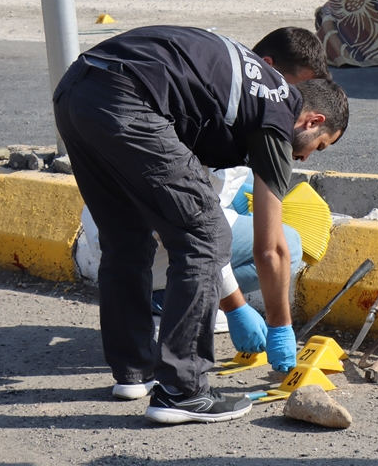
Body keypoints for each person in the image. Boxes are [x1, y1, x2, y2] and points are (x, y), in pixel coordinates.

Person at [54, 26, 350, 424]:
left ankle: (133, 372)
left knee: (126, 236)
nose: (311, 158)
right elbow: (271, 247)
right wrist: (281, 328)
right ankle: (182, 391)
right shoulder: (278, 110)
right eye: (321, 145)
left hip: (77, 88)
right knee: (207, 236)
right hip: (127, 97)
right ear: (313, 121)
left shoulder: (231, 88)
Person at [79, 28, 332, 335]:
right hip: (145, 238)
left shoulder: (217, 82)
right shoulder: (237, 123)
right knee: (287, 244)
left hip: (108, 222)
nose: (292, 102)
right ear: (268, 67)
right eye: (294, 92)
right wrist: (242, 309)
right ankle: (170, 305)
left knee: (239, 221)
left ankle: (153, 319)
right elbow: (201, 231)